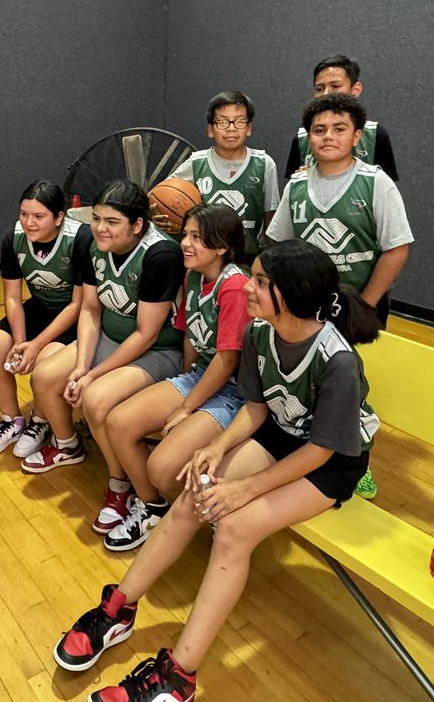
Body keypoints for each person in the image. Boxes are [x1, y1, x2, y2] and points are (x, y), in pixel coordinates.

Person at [51, 241, 380, 701]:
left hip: (331, 461)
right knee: (195, 493)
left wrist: (245, 488)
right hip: (284, 433)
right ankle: (117, 609)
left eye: (262, 282)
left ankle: (178, 678)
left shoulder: (339, 363)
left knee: (234, 527)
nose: (248, 286)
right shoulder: (261, 333)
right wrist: (218, 445)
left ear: (295, 294)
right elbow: (257, 407)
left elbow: (322, 451)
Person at [267, 92, 412, 500]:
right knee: (311, 381)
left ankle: (355, 459)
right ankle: (307, 451)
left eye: (338, 129)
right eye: (319, 130)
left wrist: (365, 302)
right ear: (308, 138)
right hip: (304, 306)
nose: (328, 136)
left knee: (350, 384)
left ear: (355, 136)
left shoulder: (374, 182)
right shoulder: (296, 185)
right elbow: (278, 242)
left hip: (354, 301)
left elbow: (397, 247)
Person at [21, 180, 185, 537]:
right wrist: (81, 365)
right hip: (111, 337)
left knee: (95, 399)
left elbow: (147, 333)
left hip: (158, 350)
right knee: (47, 377)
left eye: (111, 221)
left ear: (137, 225)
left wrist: (93, 376)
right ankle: (68, 446)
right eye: (96, 218)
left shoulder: (161, 255)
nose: (99, 227)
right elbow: (91, 310)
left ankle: (122, 487)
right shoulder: (94, 244)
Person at [101, 204, 252, 552]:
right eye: (185, 234)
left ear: (221, 246)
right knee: (118, 422)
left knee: (161, 467)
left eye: (197, 238)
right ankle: (152, 508)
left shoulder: (234, 287)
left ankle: (209, 510)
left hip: (234, 393)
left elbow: (228, 360)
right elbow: (190, 339)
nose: (185, 243)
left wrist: (186, 408)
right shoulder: (194, 275)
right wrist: (183, 385)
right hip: (201, 377)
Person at [0, 181, 92, 457]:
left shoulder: (80, 239)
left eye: (39, 216)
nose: (29, 222)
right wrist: (20, 342)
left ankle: (40, 422)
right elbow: (13, 298)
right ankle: (12, 420)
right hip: (39, 307)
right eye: (24, 214)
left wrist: (36, 345)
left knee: (45, 363)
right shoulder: (13, 237)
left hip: (73, 316)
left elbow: (79, 304)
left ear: (59, 217)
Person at [165, 91, 279, 260]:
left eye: (239, 121)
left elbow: (270, 215)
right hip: (204, 257)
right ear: (210, 129)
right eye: (223, 121)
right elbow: (165, 197)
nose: (231, 128)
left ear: (249, 128)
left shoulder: (264, 163)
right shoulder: (195, 163)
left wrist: (273, 258)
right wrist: (162, 215)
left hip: (247, 256)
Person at [284, 54, 400, 182]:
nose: (326, 94)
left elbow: (387, 189)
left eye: (335, 86)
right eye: (319, 88)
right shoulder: (301, 139)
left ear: (356, 89)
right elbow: (292, 194)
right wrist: (301, 180)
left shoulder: (375, 135)